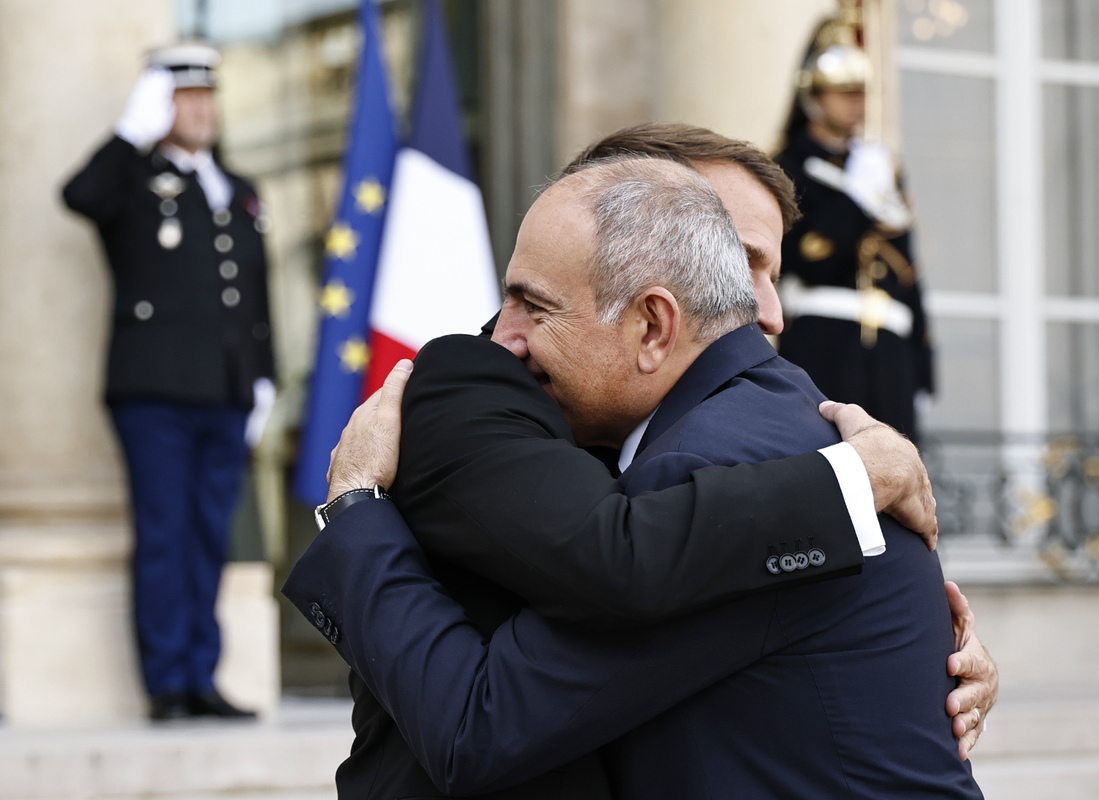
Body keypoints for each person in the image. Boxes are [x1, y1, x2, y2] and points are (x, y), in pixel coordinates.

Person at [285, 156, 989, 797]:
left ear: (653, 326)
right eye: (738, 260)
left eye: (536, 305)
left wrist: (355, 508)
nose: (764, 311)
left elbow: (482, 725)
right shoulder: (752, 433)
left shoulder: (716, 459)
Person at [62, 43, 274, 721]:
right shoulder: (132, 180)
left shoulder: (238, 189)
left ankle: (201, 676)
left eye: (208, 97)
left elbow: (255, 295)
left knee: (208, 536)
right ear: (161, 107)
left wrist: (263, 378)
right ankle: (166, 683)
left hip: (226, 392)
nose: (202, 111)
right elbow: (79, 196)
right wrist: (130, 132)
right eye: (186, 98)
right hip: (154, 392)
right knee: (163, 533)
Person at [775, 10, 934, 440]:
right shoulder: (787, 167)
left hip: (889, 349)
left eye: (860, 92)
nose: (855, 104)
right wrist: (856, 201)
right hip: (824, 342)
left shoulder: (877, 167)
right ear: (813, 96)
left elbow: (907, 269)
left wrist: (923, 366)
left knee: (895, 467)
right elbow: (807, 261)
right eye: (842, 92)